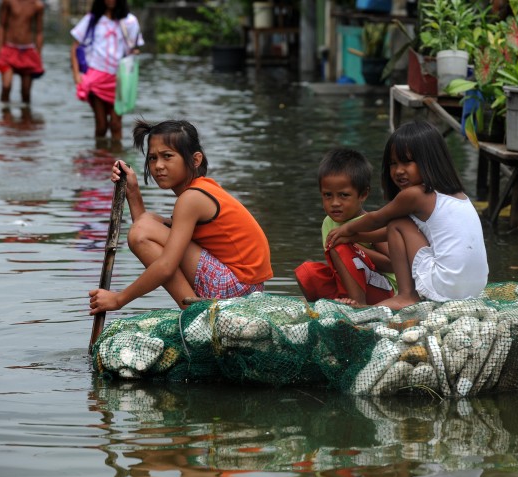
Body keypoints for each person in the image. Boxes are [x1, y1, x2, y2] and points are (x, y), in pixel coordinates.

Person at [88, 119, 273, 314]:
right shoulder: (199, 190)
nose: (158, 165)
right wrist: (132, 191)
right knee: (148, 222)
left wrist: (118, 299)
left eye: (167, 156)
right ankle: (195, 311)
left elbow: (164, 263)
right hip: (245, 286)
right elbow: (146, 241)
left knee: (143, 229)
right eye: (152, 158)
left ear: (195, 160)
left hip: (235, 287)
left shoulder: (191, 198)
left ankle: (195, 315)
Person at [326, 120, 489, 310]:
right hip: (475, 288)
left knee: (397, 223)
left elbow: (378, 220)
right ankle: (411, 293)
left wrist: (347, 228)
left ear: (430, 160)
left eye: (407, 162)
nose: (398, 171)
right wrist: (356, 237)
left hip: (446, 285)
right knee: (399, 224)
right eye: (393, 163)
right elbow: (393, 234)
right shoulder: (457, 195)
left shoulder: (415, 195)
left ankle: (406, 296)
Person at [294, 148, 397, 306]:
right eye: (328, 195)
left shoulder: (369, 222)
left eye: (344, 195)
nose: (335, 203)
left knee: (340, 245)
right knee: (307, 272)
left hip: (383, 291)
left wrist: (353, 246)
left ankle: (358, 308)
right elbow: (338, 265)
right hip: (349, 285)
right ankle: (329, 307)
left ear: (362, 194)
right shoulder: (328, 223)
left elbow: (393, 264)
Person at [70, 0, 143, 140]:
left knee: (116, 124)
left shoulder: (130, 21)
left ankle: (117, 159)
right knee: (101, 125)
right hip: (96, 76)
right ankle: (99, 159)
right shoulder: (92, 19)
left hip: (121, 78)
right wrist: (76, 75)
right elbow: (75, 46)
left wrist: (135, 53)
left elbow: (133, 48)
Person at [0, 0, 45, 104]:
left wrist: (39, 55)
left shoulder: (37, 5)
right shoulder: (8, 2)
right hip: (9, 48)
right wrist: (0, 50)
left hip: (27, 50)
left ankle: (26, 118)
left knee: (26, 93)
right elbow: (2, 25)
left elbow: (39, 32)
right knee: (6, 86)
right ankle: (5, 116)